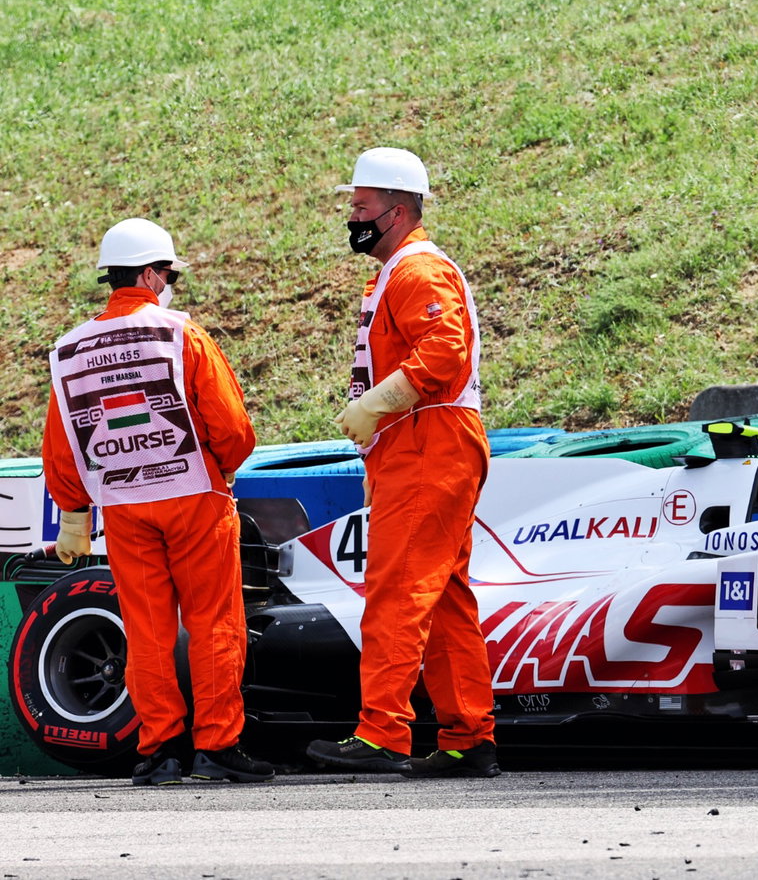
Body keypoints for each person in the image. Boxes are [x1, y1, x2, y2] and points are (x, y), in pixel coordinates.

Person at [44, 218, 271, 786]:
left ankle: (162, 748)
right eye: (168, 273)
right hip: (194, 494)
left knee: (146, 631)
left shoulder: (70, 349)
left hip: (123, 506)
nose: (170, 283)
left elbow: (62, 441)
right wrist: (218, 466)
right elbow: (233, 428)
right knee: (215, 622)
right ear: (149, 273)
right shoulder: (181, 334)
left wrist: (74, 511)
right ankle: (216, 747)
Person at [305, 147, 499, 778]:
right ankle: (468, 736)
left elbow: (445, 350)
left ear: (397, 209)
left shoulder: (415, 271)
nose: (352, 216)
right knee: (442, 596)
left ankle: (382, 732)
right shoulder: (400, 271)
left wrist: (380, 401)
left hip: (426, 441)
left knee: (397, 589)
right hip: (426, 439)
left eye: (360, 206)